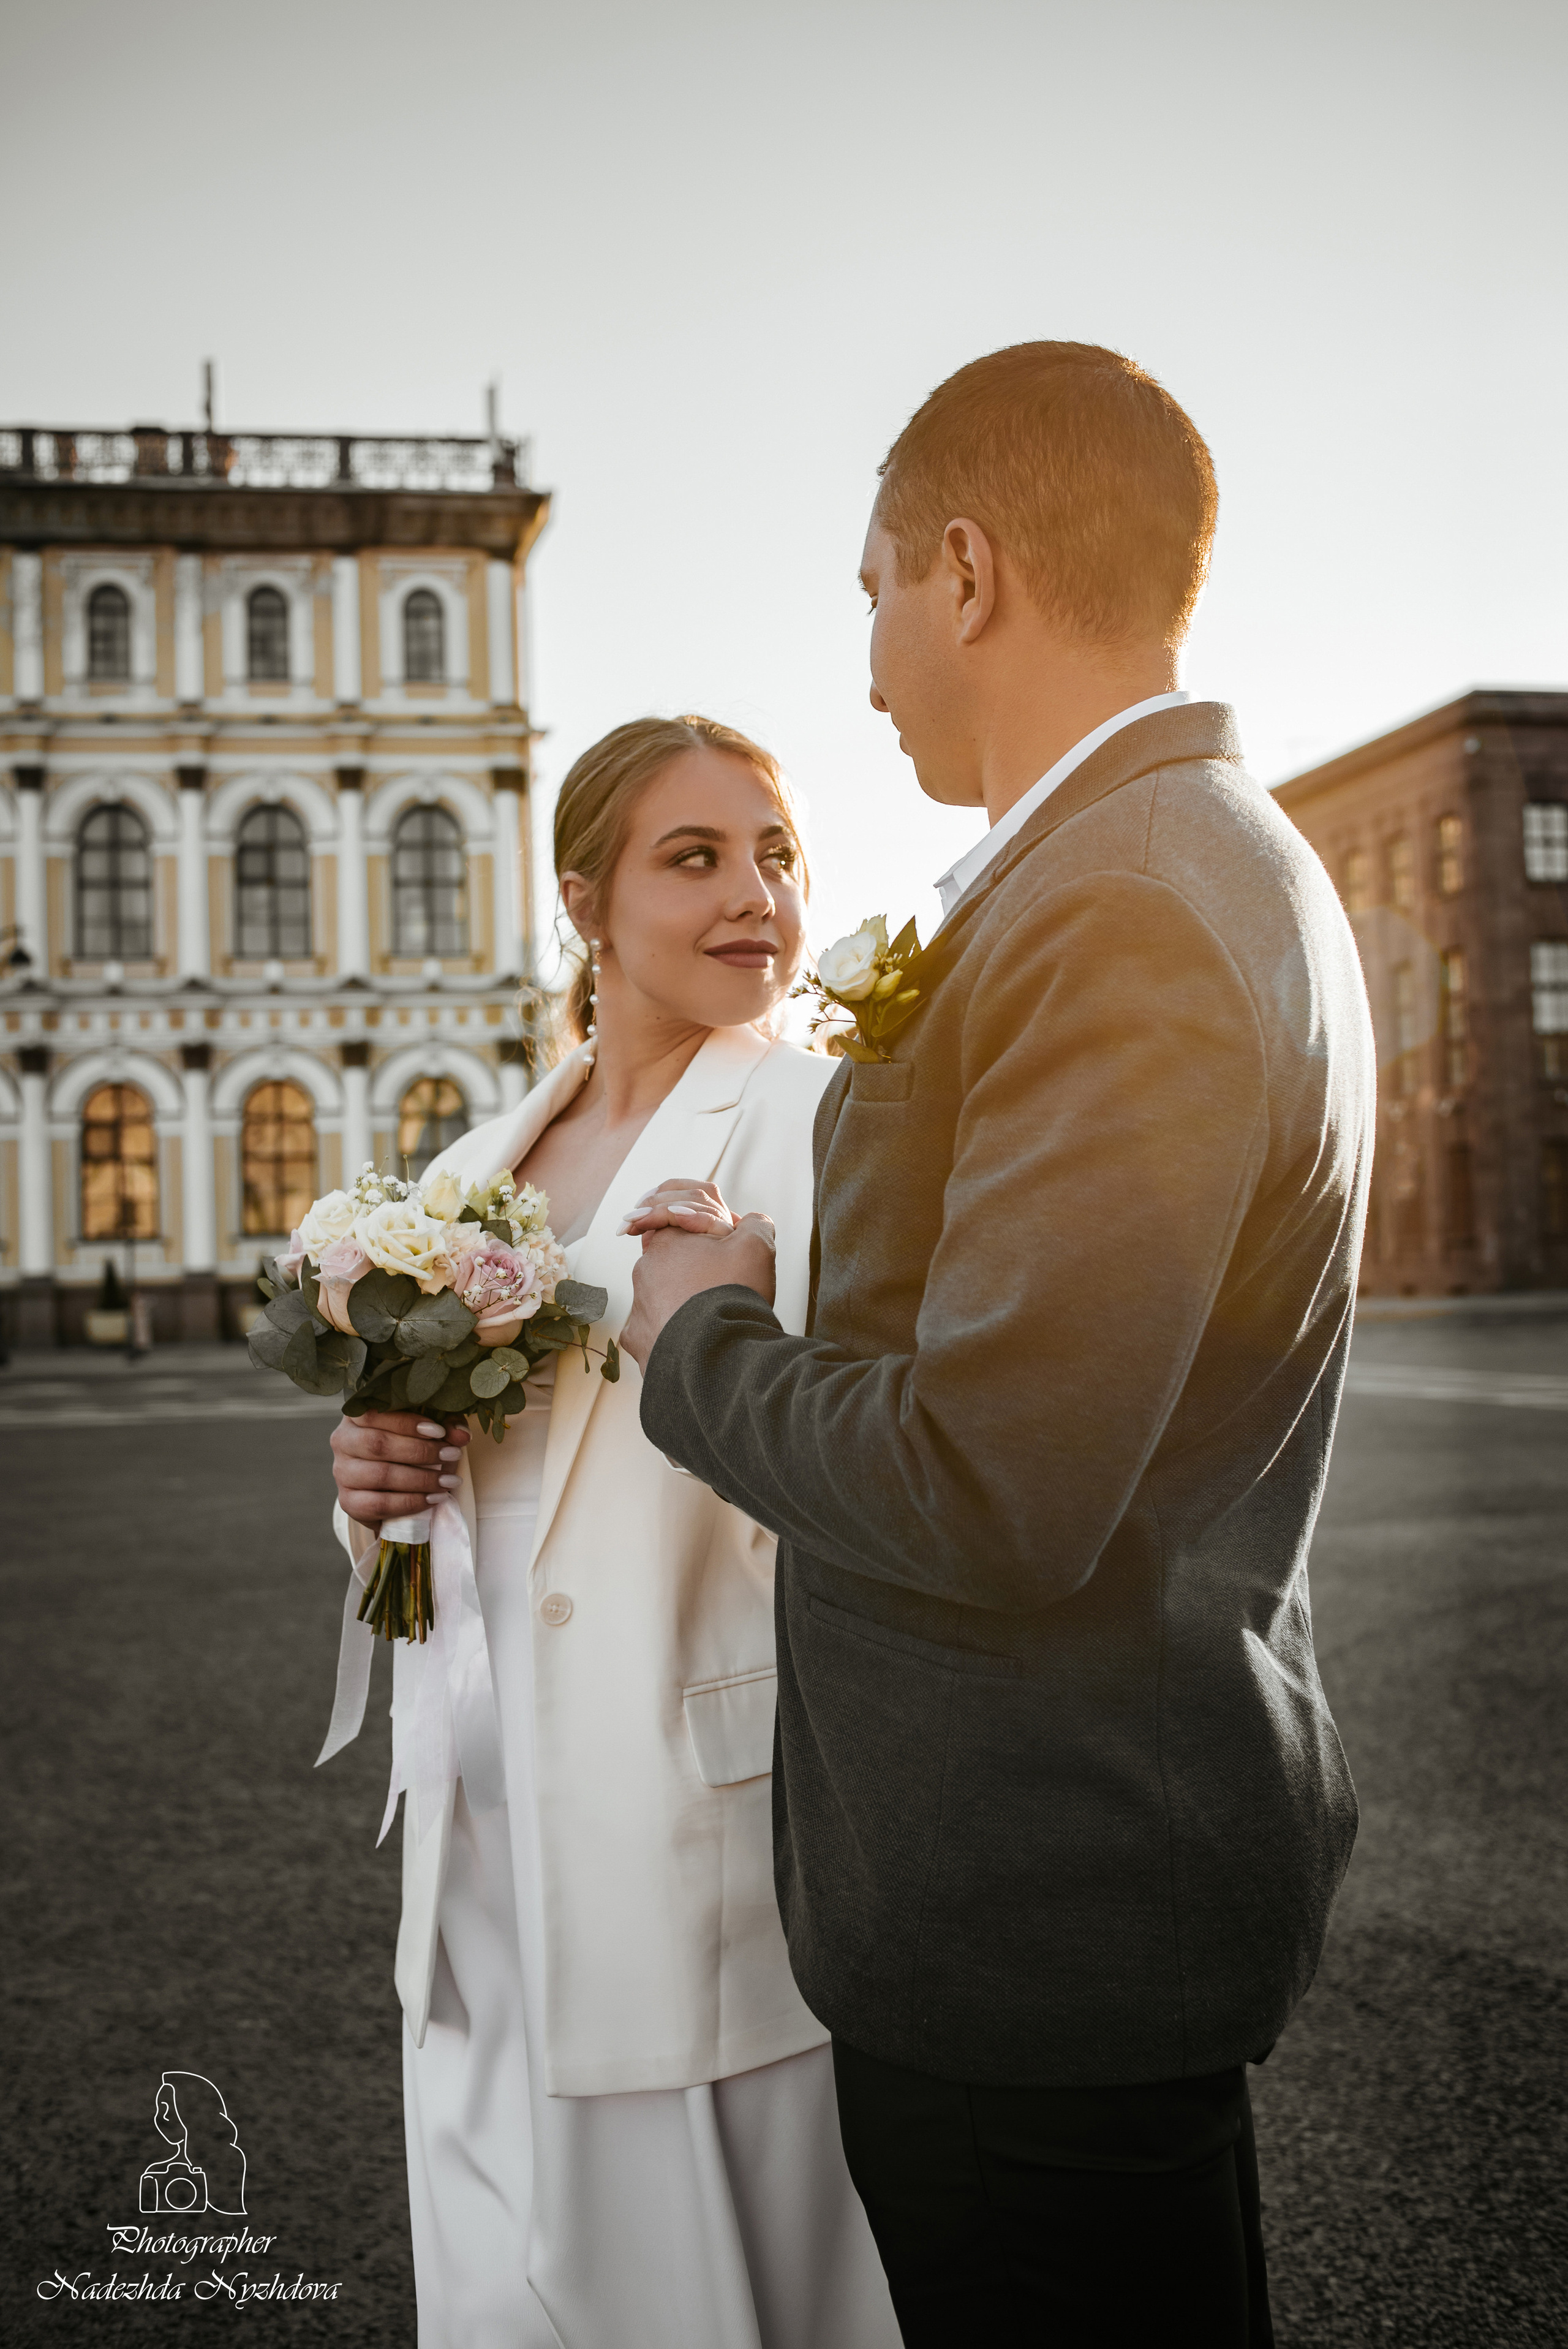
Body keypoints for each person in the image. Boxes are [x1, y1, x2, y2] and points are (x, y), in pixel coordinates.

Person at [620, 344, 1377, 2346]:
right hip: (1070, 1882)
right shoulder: (1163, 856)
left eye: (873, 586)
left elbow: (990, 1480)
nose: (867, 660)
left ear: (964, 571)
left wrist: (705, 1339)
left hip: (1036, 1911)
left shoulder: (1127, 902)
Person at [325, 717, 900, 2349]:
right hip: (483, 1808)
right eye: (694, 857)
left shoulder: (831, 1123)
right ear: (585, 898)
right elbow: (456, 1487)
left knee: (723, 2275)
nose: (754, 896)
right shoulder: (472, 1163)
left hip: (691, 1796)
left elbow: (886, 1451)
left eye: (775, 853)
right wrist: (370, 1478)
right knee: (495, 2255)